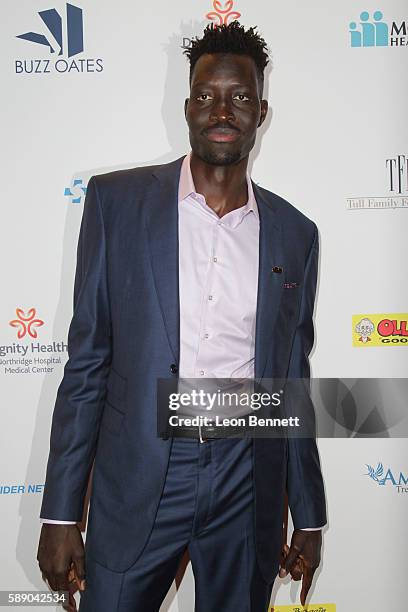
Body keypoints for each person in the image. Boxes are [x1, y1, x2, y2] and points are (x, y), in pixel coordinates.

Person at [37, 21, 327, 612]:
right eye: (207, 95)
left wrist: (309, 514)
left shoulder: (296, 235)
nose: (223, 109)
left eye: (240, 97)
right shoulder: (116, 203)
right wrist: (61, 510)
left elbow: (290, 384)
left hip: (247, 479)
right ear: (188, 106)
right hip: (139, 477)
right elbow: (88, 363)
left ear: (262, 112)